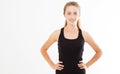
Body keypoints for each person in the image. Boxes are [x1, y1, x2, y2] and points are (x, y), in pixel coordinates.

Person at [40, 1, 102, 74]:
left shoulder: (84, 35)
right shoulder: (57, 34)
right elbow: (43, 49)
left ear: (79, 15)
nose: (72, 17)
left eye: (75, 13)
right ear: (64, 15)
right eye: (69, 13)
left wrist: (87, 65)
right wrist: (52, 65)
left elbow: (99, 52)